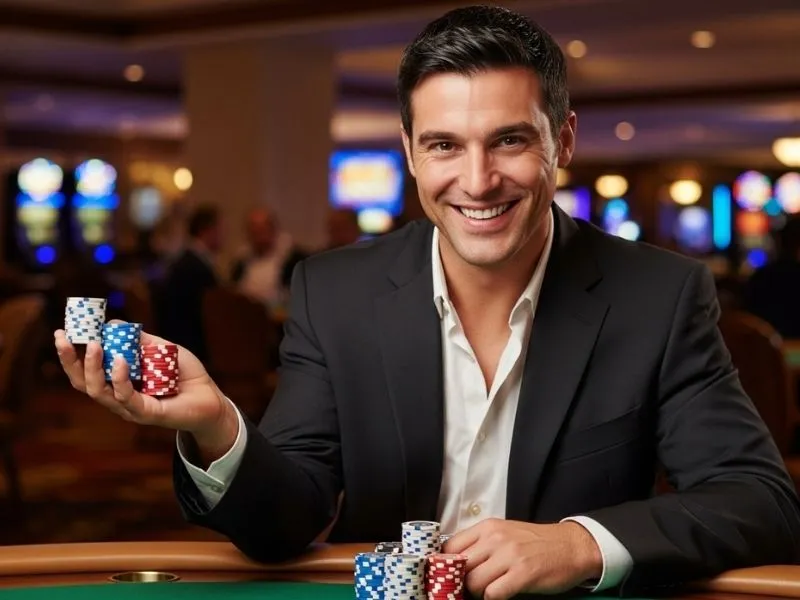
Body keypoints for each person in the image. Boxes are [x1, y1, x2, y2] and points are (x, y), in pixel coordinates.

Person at [54, 6, 800, 599]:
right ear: (409, 152)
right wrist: (219, 427)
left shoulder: (658, 294)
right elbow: (289, 520)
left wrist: (577, 543)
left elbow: (761, 502)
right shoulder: (335, 289)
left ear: (562, 142)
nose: (477, 181)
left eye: (509, 141)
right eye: (444, 146)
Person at [154, 204, 221, 363]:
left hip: (177, 343)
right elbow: (210, 314)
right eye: (220, 230)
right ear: (207, 231)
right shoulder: (195, 268)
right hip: (190, 350)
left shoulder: (185, 261)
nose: (224, 235)